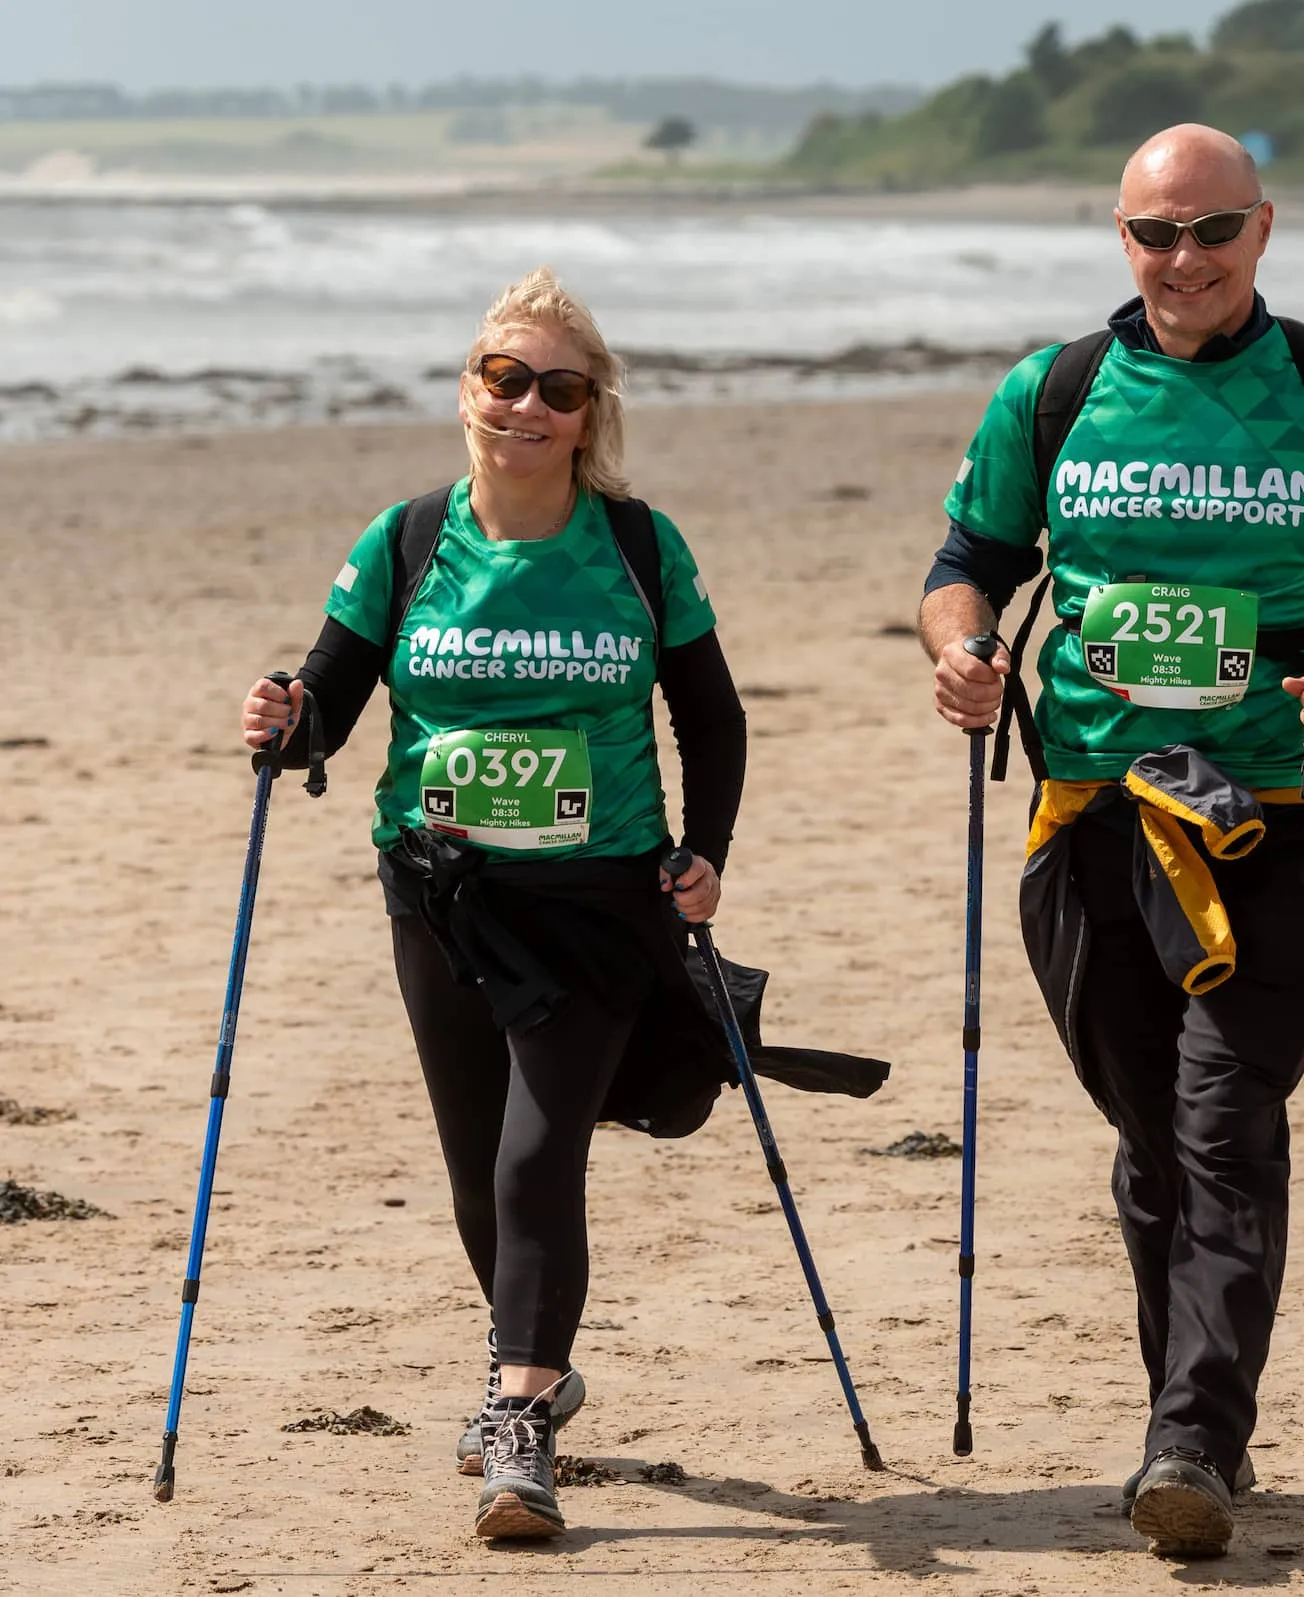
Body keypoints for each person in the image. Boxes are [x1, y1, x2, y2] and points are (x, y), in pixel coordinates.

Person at [919, 124, 1304, 1560]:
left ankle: (1193, 1440)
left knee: (1229, 1124)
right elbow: (968, 562)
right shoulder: (1052, 394)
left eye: (1211, 232)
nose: (1183, 261)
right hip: (1091, 818)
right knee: (1151, 1136)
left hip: (1279, 823)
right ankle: (1189, 1407)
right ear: (1122, 239)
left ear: (1265, 231)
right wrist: (968, 651)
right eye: (1154, 235)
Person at [237, 269, 747, 1541]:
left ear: (590, 414)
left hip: (597, 896)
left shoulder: (637, 546)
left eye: (557, 388)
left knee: (538, 1148)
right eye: (503, 378)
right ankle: (537, 1358)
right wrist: (286, 724)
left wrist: (703, 852)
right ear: (470, 388)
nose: (525, 404)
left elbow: (712, 716)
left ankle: (518, 1420)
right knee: (479, 1160)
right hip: (441, 896)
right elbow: (332, 706)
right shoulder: (407, 539)